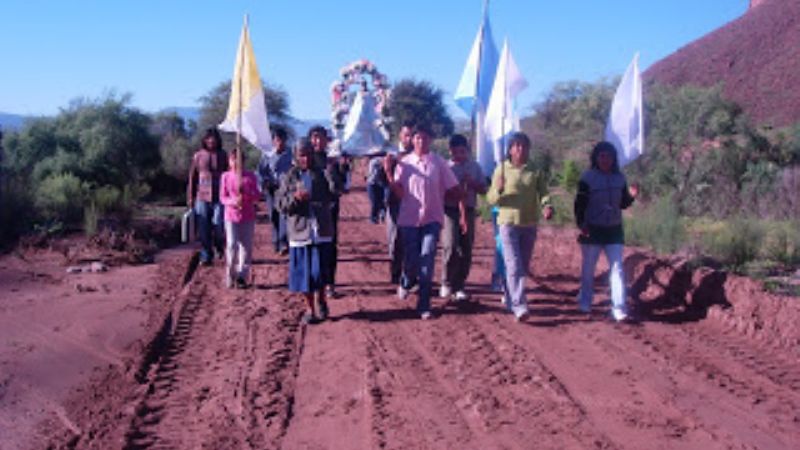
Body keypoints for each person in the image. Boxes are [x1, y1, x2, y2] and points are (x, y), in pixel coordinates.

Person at [384, 123, 462, 320]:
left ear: (431, 140)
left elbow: (453, 186)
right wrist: (389, 175)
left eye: (425, 138)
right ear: (412, 140)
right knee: (411, 259)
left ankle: (424, 304)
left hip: (432, 219)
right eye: (418, 137)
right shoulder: (405, 163)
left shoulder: (439, 163)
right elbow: (400, 193)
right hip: (409, 219)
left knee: (427, 259)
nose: (421, 141)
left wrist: (462, 197)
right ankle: (406, 280)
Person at [486, 132, 552, 322]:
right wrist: (498, 189)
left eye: (524, 146)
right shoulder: (501, 170)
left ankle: (510, 295)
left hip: (529, 223)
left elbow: (543, 193)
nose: (520, 149)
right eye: (516, 146)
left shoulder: (535, 170)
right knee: (513, 264)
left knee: (522, 265)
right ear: (510, 149)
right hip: (508, 223)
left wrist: (547, 205)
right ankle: (519, 305)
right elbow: (491, 199)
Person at [574, 141, 638, 322]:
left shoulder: (620, 178)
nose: (605, 160)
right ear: (595, 158)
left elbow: (622, 203)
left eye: (609, 156)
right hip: (592, 229)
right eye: (602, 156)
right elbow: (579, 205)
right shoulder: (587, 178)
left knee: (617, 269)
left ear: (614, 159)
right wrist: (582, 225)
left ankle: (619, 308)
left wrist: (631, 196)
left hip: (614, 231)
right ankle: (585, 302)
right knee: (589, 269)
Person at [278, 139, 338, 324]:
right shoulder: (289, 177)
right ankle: (309, 309)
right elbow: (281, 205)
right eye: (302, 155)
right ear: (296, 156)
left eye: (309, 154)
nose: (305, 159)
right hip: (300, 232)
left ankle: (321, 299)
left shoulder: (321, 173)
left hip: (320, 230)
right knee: (304, 275)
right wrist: (295, 198)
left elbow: (335, 192)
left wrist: (334, 172)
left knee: (319, 272)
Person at [440, 134, 487, 301]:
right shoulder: (445, 167)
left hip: (469, 209)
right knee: (450, 245)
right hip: (450, 210)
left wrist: (472, 182)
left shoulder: (475, 167)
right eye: (456, 152)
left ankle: (459, 285)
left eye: (463, 151)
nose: (459, 155)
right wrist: (454, 192)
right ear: (450, 151)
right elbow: (439, 191)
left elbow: (483, 189)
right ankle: (446, 282)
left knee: (466, 247)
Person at [308, 126, 346, 298]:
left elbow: (341, 187)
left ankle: (329, 283)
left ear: (326, 140)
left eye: (320, 137)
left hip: (329, 211)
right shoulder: (304, 161)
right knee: (310, 246)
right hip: (309, 211)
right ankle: (313, 283)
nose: (317, 141)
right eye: (314, 137)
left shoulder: (332, 161)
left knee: (329, 247)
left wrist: (341, 169)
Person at [219, 148, 261, 289]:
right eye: (233, 159)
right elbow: (222, 197)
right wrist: (233, 201)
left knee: (246, 247)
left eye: (239, 159)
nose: (236, 162)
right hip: (231, 216)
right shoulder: (225, 176)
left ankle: (242, 276)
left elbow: (257, 195)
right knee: (232, 245)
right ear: (229, 161)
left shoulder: (250, 176)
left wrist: (247, 193)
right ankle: (230, 275)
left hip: (248, 216)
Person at [187, 128, 228, 265]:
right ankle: (206, 255)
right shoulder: (198, 155)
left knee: (218, 224)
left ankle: (219, 246)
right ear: (204, 140)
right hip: (202, 196)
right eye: (209, 138)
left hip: (220, 196)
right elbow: (192, 178)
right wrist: (191, 197)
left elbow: (228, 175)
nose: (211, 141)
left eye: (214, 138)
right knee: (203, 228)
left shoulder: (223, 155)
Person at [383, 121, 414, 284]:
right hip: (395, 202)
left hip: (415, 204)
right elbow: (380, 180)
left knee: (412, 240)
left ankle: (410, 275)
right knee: (395, 239)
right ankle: (396, 273)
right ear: (400, 136)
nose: (409, 139)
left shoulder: (420, 156)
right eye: (406, 135)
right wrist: (387, 169)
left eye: (411, 135)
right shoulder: (391, 154)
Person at [258, 126, 293, 255]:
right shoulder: (267, 154)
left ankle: (283, 242)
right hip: (271, 189)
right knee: (273, 215)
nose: (279, 143)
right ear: (273, 141)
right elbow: (261, 171)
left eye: (282, 140)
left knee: (284, 214)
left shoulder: (291, 154)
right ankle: (276, 240)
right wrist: (264, 182)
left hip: (285, 189)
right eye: (277, 140)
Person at [366, 153, 388, 224]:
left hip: (380, 183)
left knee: (381, 201)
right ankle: (374, 217)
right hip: (371, 183)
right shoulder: (374, 161)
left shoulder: (378, 160)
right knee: (374, 201)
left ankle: (381, 215)